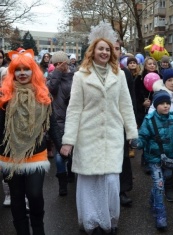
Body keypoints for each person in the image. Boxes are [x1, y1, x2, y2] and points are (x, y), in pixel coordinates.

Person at [60, 23, 138, 234]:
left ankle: (109, 221)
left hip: (112, 135)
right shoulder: (80, 76)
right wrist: (68, 141)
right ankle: (91, 222)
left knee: (111, 182)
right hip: (88, 136)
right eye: (100, 48)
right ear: (92, 51)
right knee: (89, 182)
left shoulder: (119, 75)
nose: (104, 52)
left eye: (107, 49)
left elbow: (126, 105)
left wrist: (132, 133)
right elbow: (74, 110)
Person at [0, 50, 62, 235]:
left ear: (33, 71)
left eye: (26, 69)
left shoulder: (43, 95)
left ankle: (38, 229)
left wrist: (62, 147)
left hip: (36, 154)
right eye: (17, 69)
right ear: (12, 73)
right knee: (17, 198)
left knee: (35, 195)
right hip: (10, 155)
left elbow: (52, 125)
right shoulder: (4, 96)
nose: (22, 73)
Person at [131, 90, 173, 230]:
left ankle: (153, 199)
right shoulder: (149, 120)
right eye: (162, 103)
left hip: (169, 158)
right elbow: (142, 138)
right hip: (154, 158)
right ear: (156, 105)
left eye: (168, 103)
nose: (166, 106)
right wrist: (137, 142)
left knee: (162, 181)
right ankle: (160, 214)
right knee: (159, 184)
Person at [148, 68, 173, 202]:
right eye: (169, 80)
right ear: (164, 82)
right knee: (167, 163)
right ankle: (168, 187)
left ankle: (165, 180)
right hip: (165, 136)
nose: (172, 83)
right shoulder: (160, 96)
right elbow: (151, 114)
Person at [46, 51, 75, 196]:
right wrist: (57, 72)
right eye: (55, 64)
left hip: (74, 119)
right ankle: (62, 183)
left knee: (73, 152)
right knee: (59, 155)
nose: (59, 66)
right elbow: (51, 89)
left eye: (61, 63)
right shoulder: (52, 78)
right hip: (58, 121)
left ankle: (70, 171)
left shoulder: (75, 77)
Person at [113, 41, 137, 207]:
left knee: (122, 156)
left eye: (117, 48)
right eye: (111, 47)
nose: (114, 51)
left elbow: (130, 100)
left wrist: (132, 125)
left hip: (120, 120)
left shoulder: (125, 73)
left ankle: (122, 189)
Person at [135, 56, 160, 174]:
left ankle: (153, 161)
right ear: (145, 66)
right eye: (149, 64)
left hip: (156, 111)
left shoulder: (160, 79)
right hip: (143, 112)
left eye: (154, 64)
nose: (152, 66)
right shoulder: (139, 79)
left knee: (154, 136)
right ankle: (145, 159)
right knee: (146, 136)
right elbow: (134, 96)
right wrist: (142, 103)